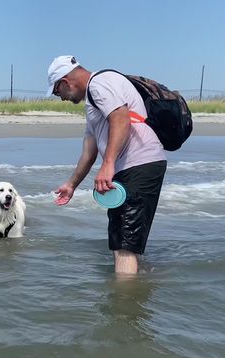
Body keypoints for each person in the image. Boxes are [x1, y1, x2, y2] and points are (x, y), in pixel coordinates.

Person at [48, 55, 167, 275]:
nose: (61, 98)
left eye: (57, 92)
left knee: (125, 244)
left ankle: (124, 306)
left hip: (139, 165)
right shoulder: (93, 101)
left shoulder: (100, 83)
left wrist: (108, 164)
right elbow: (89, 150)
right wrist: (72, 185)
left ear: (65, 82)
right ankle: (138, 285)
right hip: (127, 169)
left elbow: (121, 117)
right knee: (120, 239)